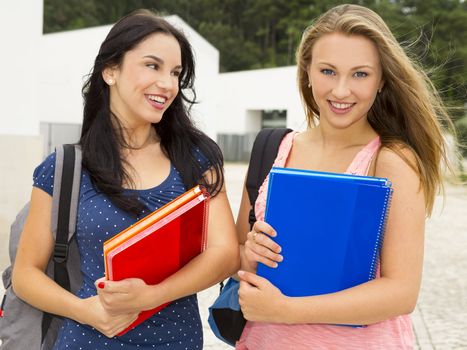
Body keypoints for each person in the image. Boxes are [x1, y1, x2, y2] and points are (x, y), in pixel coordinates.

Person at [12, 9, 239, 350]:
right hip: (86, 338)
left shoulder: (196, 158)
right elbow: (25, 274)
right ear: (110, 70)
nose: (167, 83)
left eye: (176, 73)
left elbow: (226, 254)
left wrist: (152, 295)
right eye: (153, 65)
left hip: (175, 340)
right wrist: (84, 311)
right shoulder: (64, 167)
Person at [235, 4, 456, 349]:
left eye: (360, 74)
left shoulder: (392, 160)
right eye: (327, 71)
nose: (341, 91)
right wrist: (250, 254)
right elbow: (237, 255)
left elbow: (401, 292)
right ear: (306, 70)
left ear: (382, 80)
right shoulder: (273, 149)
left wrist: (287, 310)